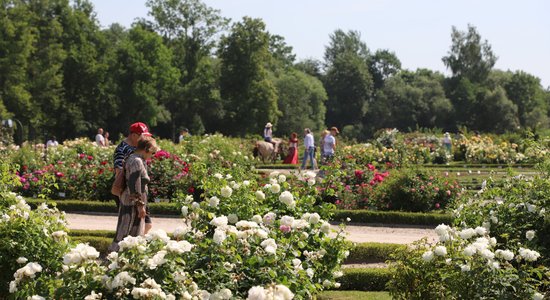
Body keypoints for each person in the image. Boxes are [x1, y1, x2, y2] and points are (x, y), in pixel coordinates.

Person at [109, 136, 160, 252]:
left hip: (130, 201)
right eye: (152, 153)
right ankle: (114, 258)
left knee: (129, 232)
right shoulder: (136, 161)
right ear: (146, 149)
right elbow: (134, 184)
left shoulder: (133, 158)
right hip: (131, 203)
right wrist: (140, 206)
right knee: (126, 232)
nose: (152, 156)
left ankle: (122, 259)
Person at [113, 122, 153, 233]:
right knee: (130, 226)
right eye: (143, 135)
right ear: (134, 135)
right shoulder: (122, 149)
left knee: (146, 224)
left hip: (139, 192)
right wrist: (132, 195)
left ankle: (135, 247)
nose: (145, 138)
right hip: (129, 192)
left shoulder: (138, 147)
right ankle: (127, 247)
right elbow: (119, 172)